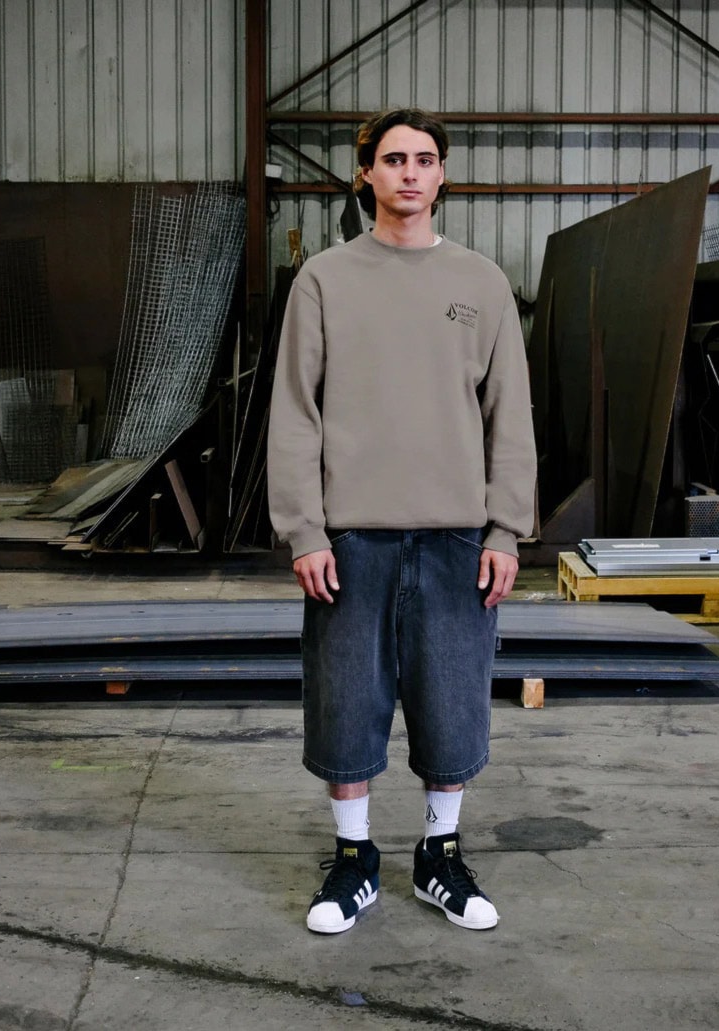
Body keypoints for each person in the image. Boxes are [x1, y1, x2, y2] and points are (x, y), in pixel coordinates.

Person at [267, 107, 537, 934]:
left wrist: (505, 529)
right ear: (366, 174)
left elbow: (509, 415)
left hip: (457, 537)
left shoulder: (481, 284)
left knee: (452, 708)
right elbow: (295, 412)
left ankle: (437, 855)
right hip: (351, 539)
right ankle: (352, 859)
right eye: (393, 159)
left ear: (442, 174)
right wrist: (304, 529)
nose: (409, 172)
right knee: (345, 708)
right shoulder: (324, 281)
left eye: (424, 159)